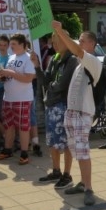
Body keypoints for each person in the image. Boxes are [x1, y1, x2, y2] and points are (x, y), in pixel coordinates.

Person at [51, 20, 101, 206]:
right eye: (79, 40)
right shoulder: (80, 63)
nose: (79, 43)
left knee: (83, 151)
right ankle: (82, 182)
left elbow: (76, 49)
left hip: (82, 113)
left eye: (82, 40)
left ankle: (88, 188)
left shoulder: (93, 61)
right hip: (71, 112)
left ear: (92, 44)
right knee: (76, 151)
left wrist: (60, 31)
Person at [36, 31, 79, 188]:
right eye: (53, 42)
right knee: (52, 141)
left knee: (66, 142)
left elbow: (62, 85)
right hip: (52, 105)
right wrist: (37, 66)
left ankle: (67, 174)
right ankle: (56, 171)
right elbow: (45, 80)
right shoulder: (54, 58)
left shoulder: (72, 59)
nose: (55, 45)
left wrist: (50, 86)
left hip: (64, 105)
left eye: (58, 41)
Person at [0, 33, 36, 165]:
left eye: (14, 44)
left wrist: (10, 73)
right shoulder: (11, 57)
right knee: (8, 125)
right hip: (8, 98)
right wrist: (3, 77)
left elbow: (28, 78)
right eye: (11, 44)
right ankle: (7, 150)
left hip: (22, 98)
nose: (11, 47)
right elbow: (10, 76)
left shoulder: (28, 58)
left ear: (22, 44)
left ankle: (24, 153)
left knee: (23, 127)